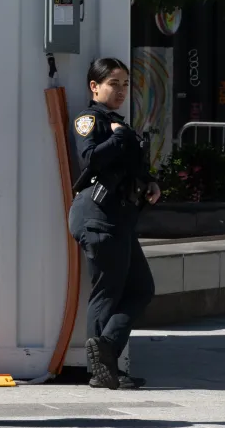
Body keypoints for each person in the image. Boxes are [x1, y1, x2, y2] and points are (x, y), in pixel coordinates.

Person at [68, 57, 160, 390]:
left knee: (140, 288)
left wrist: (149, 182)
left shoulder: (119, 123)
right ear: (94, 87)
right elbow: (89, 159)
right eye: (113, 84)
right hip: (98, 216)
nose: (121, 91)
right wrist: (120, 138)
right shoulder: (88, 119)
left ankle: (105, 353)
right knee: (107, 292)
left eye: (125, 85)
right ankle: (102, 367)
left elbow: (129, 167)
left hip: (119, 218)